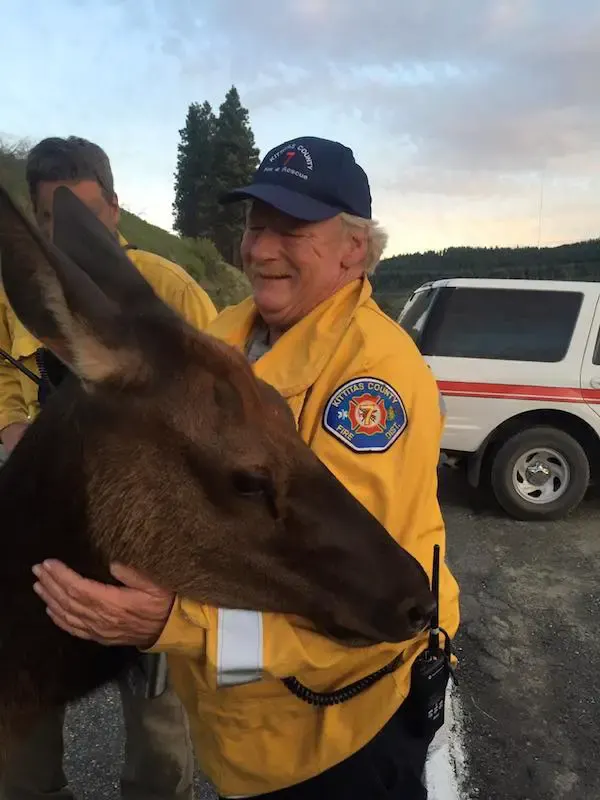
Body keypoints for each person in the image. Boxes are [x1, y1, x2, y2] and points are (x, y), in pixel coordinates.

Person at [31, 136, 461, 799]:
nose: (259, 249)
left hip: (332, 735)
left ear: (355, 248)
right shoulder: (226, 335)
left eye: (290, 229)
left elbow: (349, 588)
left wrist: (169, 624)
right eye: (255, 225)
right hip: (240, 735)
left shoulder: (376, 380)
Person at [0, 136, 218, 800]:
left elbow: (223, 396)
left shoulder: (170, 288)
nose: (72, 232)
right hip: (43, 537)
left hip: (151, 541)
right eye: (53, 219)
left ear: (116, 210)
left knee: (158, 714)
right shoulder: (16, 294)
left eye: (87, 214)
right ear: (37, 224)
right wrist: (14, 430)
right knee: (19, 705)